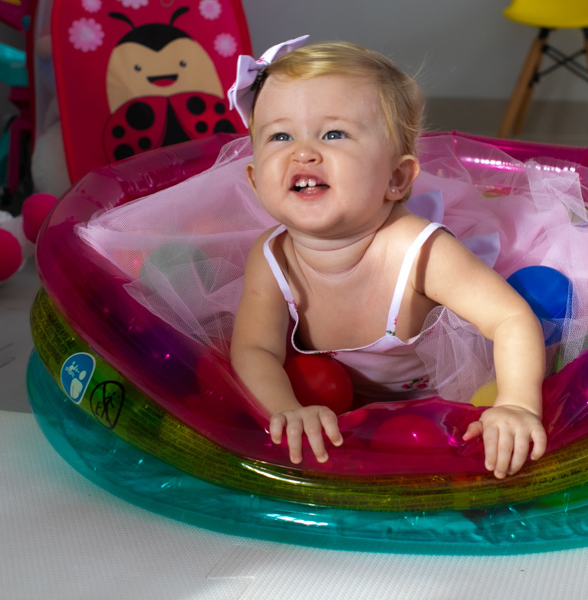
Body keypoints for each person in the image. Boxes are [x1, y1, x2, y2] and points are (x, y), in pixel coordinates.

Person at [227, 37, 548, 479]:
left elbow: (510, 318)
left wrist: (517, 404)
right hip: (344, 406)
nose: (303, 151)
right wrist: (286, 409)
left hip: (442, 403)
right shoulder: (271, 257)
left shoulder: (419, 250)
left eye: (334, 134)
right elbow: (255, 349)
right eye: (280, 136)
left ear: (396, 178)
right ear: (254, 179)